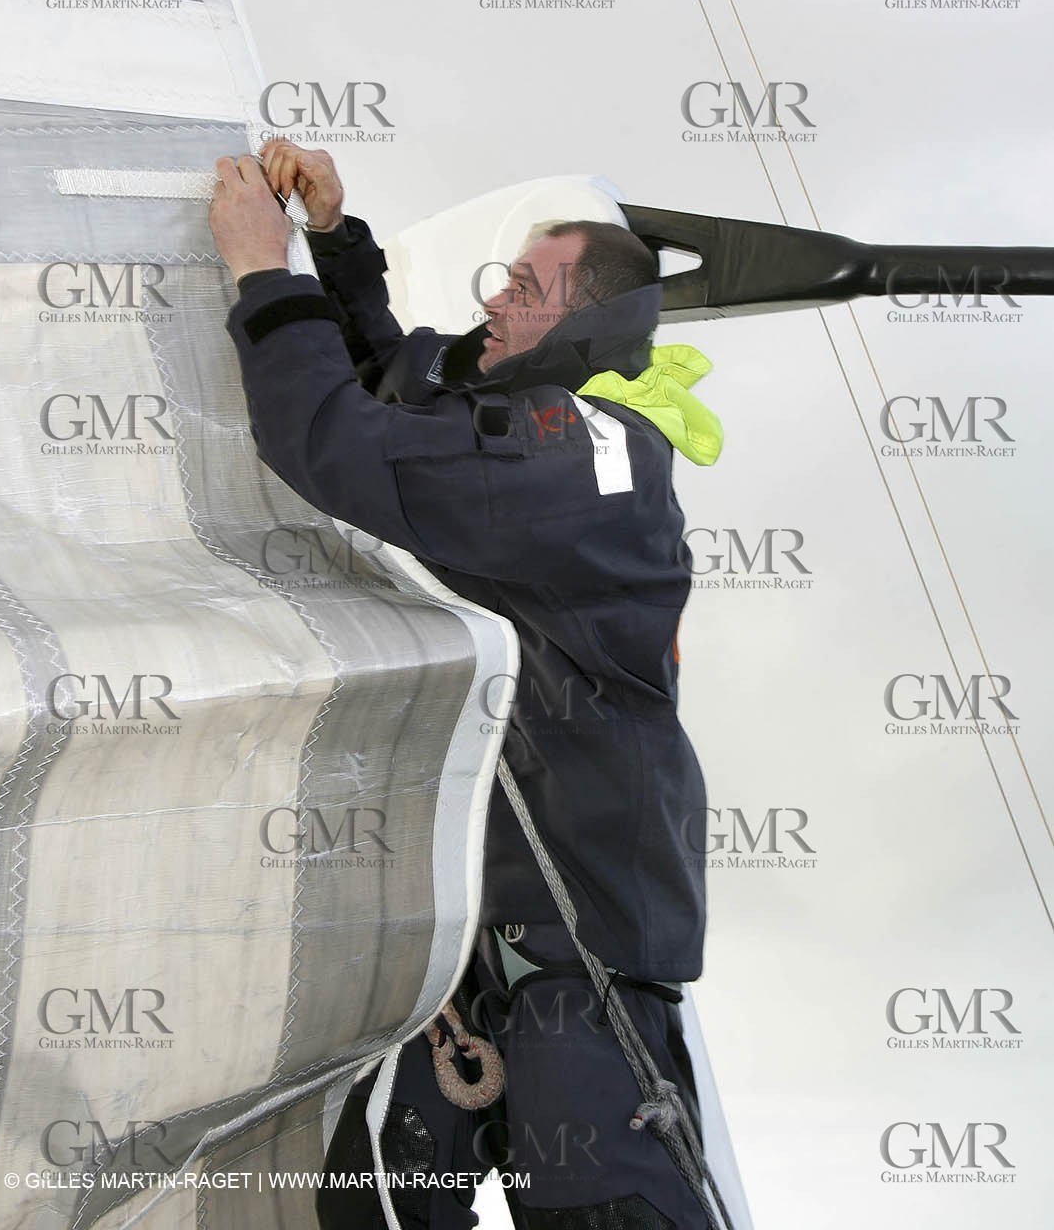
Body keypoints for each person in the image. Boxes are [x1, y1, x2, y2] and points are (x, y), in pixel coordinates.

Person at [209, 143, 725, 1229]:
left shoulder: (590, 458)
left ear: (586, 329)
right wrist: (336, 248)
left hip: (575, 954)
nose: (493, 302)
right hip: (468, 944)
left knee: (605, 1210)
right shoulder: (537, 430)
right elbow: (404, 390)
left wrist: (263, 276)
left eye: (523, 290)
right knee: (366, 1202)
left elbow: (345, 443)